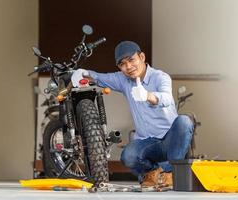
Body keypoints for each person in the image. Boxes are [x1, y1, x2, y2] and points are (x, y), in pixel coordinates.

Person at [71, 41, 194, 187]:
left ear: (141, 57)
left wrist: (148, 95)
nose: (128, 67)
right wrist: (84, 73)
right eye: (122, 64)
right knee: (128, 155)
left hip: (170, 140)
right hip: (148, 142)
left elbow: (166, 98)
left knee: (184, 121)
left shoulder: (160, 77)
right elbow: (100, 78)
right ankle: (150, 174)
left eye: (131, 60)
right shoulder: (123, 80)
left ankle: (170, 173)